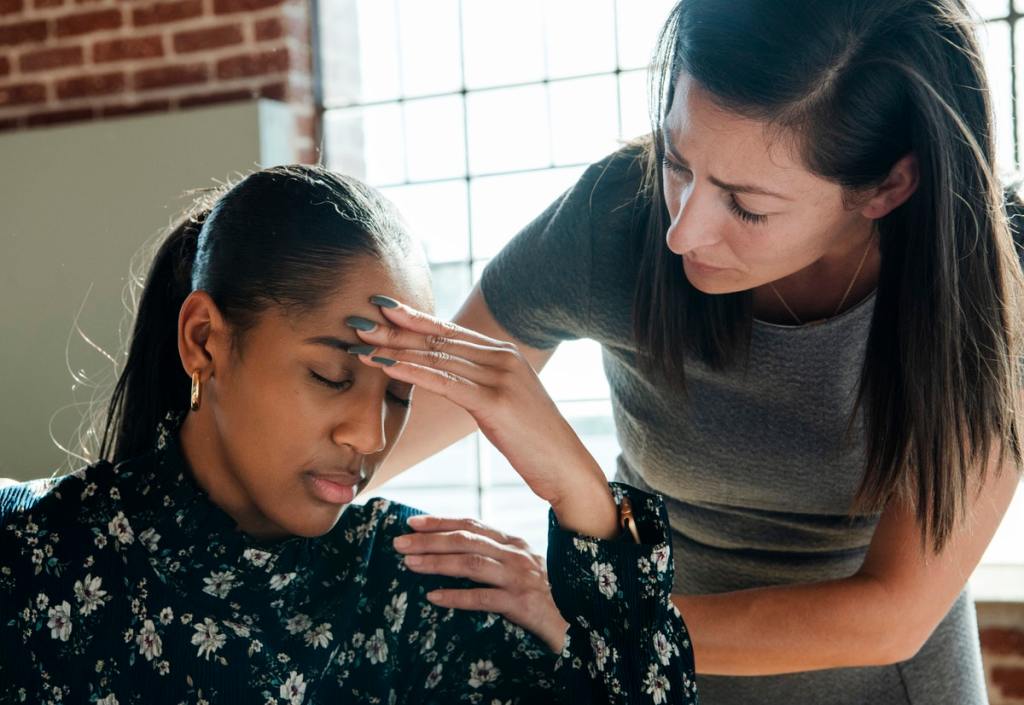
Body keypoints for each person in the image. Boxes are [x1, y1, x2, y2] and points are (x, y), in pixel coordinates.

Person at [356, 1, 1024, 702]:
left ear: (888, 185)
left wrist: (599, 617)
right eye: (676, 159)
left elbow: (894, 613)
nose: (682, 231)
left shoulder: (993, 280)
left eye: (747, 206)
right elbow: (390, 426)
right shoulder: (617, 216)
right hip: (654, 677)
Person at [0, 166, 699, 704]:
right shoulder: (37, 561)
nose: (371, 433)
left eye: (399, 393)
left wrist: (580, 496)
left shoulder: (419, 584)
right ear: (204, 340)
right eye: (333, 375)